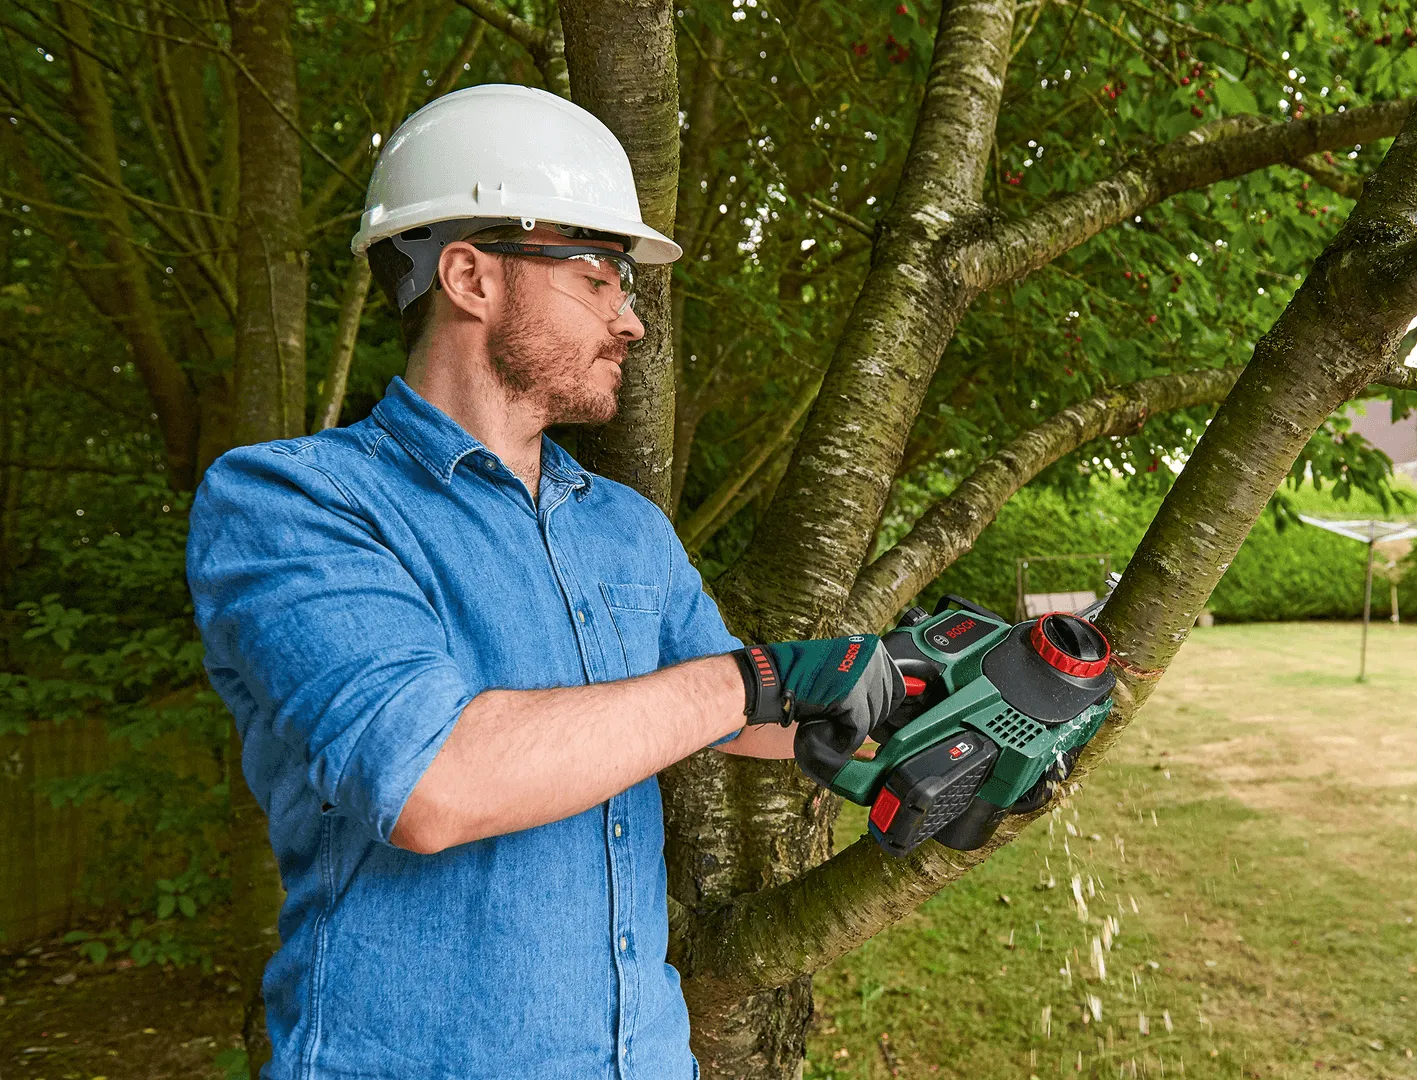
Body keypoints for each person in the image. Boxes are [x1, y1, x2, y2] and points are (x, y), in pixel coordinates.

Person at [186, 84, 902, 1080]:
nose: (632, 322)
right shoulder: (293, 503)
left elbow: (734, 709)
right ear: (472, 276)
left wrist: (902, 710)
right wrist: (753, 680)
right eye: (603, 276)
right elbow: (430, 779)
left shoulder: (625, 527)